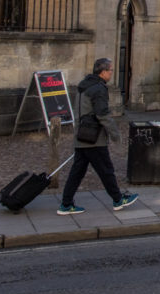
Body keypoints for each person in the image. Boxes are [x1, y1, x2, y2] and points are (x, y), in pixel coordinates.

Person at [57, 57, 139, 215]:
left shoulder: (84, 84)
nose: (111, 73)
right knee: (106, 170)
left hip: (82, 134)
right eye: (110, 70)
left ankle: (66, 204)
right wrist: (115, 134)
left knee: (77, 172)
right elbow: (103, 115)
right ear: (103, 72)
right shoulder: (99, 89)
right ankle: (117, 199)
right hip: (94, 137)